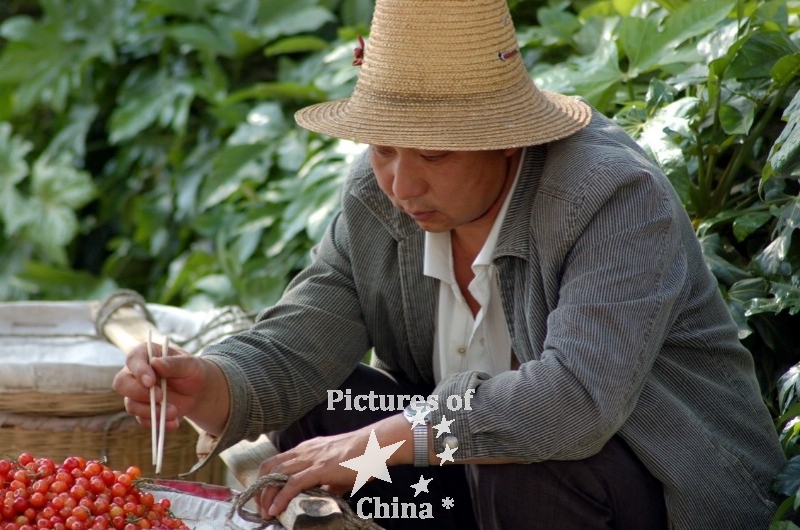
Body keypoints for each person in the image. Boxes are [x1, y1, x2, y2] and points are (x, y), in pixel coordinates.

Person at [113, 0, 785, 528]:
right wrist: (211, 382)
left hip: (643, 490)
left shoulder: (609, 196)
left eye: (434, 155)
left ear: (505, 137)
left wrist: (386, 441)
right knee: (323, 399)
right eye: (383, 149)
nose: (402, 186)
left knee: (516, 451)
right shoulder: (377, 198)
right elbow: (299, 345)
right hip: (472, 487)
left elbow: (576, 403)